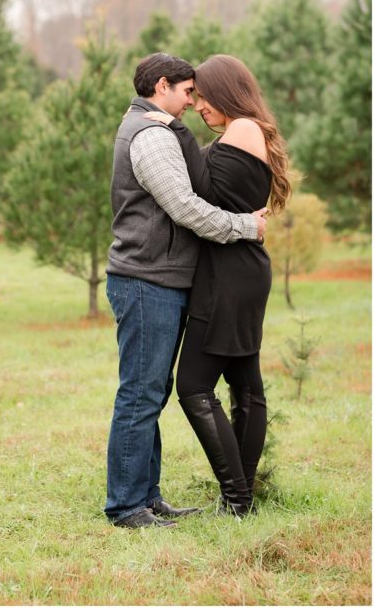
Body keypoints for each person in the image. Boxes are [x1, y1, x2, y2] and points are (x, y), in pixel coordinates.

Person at [105, 52, 269, 529]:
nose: (192, 102)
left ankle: (146, 496)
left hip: (164, 278)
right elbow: (184, 206)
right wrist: (246, 226)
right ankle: (127, 507)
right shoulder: (152, 134)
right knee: (141, 394)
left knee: (152, 393)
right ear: (163, 86)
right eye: (187, 92)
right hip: (146, 279)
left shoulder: (162, 130)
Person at [143, 54, 290, 517]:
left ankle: (237, 497)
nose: (199, 105)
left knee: (193, 386)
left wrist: (173, 128)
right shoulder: (245, 130)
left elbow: (200, 192)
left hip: (229, 273)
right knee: (246, 384)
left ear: (227, 91)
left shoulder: (242, 128)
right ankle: (240, 500)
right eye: (195, 96)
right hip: (238, 268)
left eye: (204, 96)